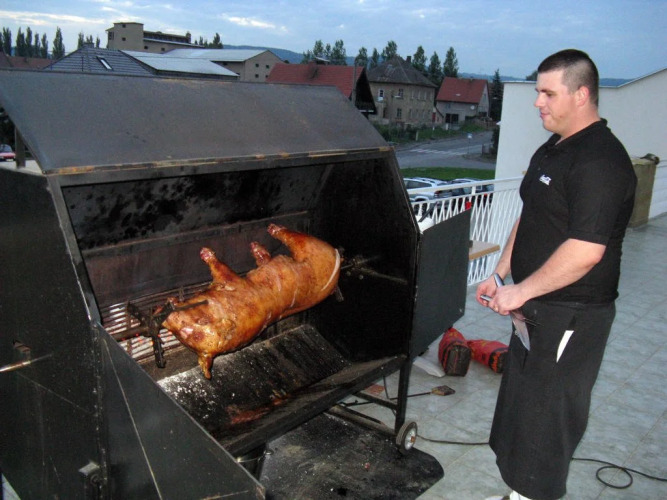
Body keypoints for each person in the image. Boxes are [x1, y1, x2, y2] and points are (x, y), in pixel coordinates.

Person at [477, 49, 637, 500]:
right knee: (522, 412)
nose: (537, 102)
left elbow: (585, 251)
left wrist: (521, 291)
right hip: (536, 309)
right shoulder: (555, 147)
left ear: (581, 94)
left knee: (546, 421)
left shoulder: (601, 161)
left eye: (548, 93)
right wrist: (501, 272)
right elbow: (532, 213)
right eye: (537, 92)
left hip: (570, 315)